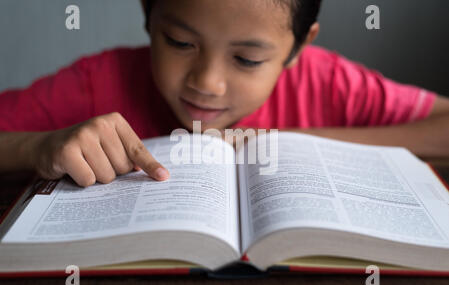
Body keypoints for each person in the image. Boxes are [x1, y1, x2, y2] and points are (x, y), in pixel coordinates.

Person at [0, 0, 448, 187]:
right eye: (179, 42)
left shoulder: (326, 81)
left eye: (248, 60)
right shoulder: (99, 81)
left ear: (297, 49)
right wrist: (39, 147)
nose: (206, 83)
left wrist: (296, 145)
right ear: (148, 17)